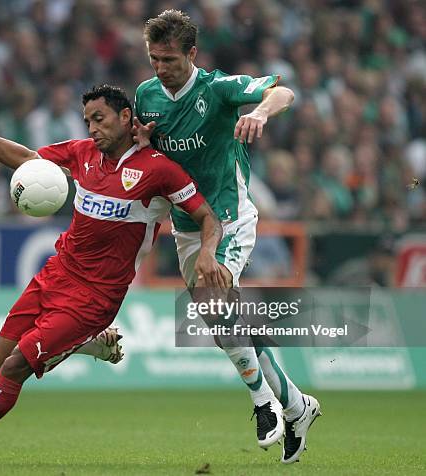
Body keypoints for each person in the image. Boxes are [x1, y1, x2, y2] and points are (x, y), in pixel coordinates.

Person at [0, 84, 224, 465]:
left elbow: (208, 217)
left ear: (126, 117)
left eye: (100, 119)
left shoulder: (158, 169)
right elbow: (27, 160)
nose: (92, 128)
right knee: (1, 357)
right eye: (87, 121)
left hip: (95, 298)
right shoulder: (82, 154)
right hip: (56, 273)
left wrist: (208, 254)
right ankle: (89, 344)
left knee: (16, 367)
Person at [131, 10, 321, 464]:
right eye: (154, 59)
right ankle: (297, 405)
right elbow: (148, 150)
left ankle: (263, 404)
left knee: (216, 302)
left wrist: (258, 112)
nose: (161, 68)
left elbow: (284, 91)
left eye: (170, 59)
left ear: (191, 54)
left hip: (231, 218)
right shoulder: (146, 95)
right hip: (186, 226)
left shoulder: (217, 88)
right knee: (223, 326)